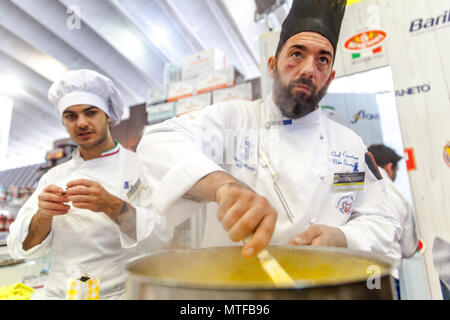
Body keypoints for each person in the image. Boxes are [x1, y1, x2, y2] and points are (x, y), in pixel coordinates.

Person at [136, 0, 399, 261]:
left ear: (330, 77)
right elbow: (159, 142)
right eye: (297, 54)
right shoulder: (235, 119)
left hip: (319, 286)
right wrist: (224, 186)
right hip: (235, 292)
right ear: (272, 65)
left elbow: (381, 221)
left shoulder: (349, 146)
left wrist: (343, 237)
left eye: (322, 60)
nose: (309, 69)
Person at [7, 69, 169, 299]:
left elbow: (162, 239)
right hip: (58, 294)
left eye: (90, 112)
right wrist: (43, 216)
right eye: (70, 116)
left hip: (117, 295)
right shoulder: (52, 177)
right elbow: (20, 247)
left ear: (109, 115)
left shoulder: (141, 168)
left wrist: (111, 205)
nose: (81, 123)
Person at [368, 144, 418, 299]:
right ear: (390, 167)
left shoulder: (353, 187)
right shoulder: (400, 198)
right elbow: (408, 250)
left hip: (356, 274)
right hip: (387, 275)